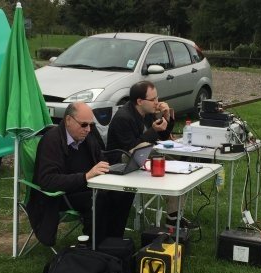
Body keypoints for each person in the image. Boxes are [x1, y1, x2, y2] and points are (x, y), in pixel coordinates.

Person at [27, 101, 131, 247]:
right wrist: (85, 176)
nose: (88, 129)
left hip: (87, 187)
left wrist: (111, 169)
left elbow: (101, 160)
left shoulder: (86, 137)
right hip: (60, 196)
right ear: (68, 120)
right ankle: (95, 246)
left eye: (91, 125)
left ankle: (113, 242)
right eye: (84, 125)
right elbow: (47, 180)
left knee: (123, 192)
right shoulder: (51, 140)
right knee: (99, 198)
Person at [107, 80, 198, 230]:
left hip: (142, 155)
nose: (157, 102)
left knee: (181, 166)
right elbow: (132, 147)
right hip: (121, 160)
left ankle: (173, 218)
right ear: (140, 101)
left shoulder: (146, 113)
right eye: (153, 99)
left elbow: (163, 136)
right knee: (153, 153)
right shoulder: (123, 118)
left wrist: (167, 117)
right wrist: (153, 131)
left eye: (157, 97)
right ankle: (173, 218)